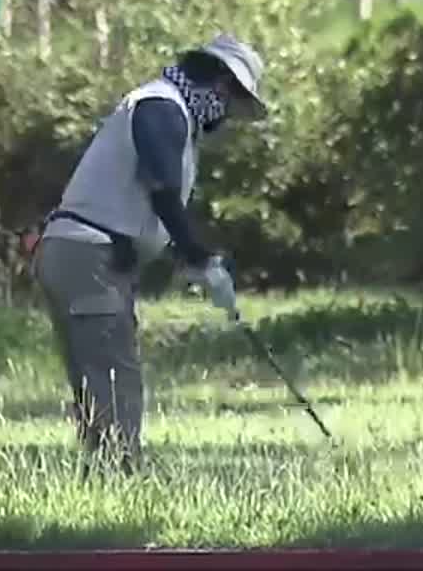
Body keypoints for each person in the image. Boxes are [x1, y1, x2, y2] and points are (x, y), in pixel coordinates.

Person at [30, 33, 268, 471]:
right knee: (115, 376)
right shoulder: (162, 107)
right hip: (88, 254)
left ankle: (102, 475)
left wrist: (191, 260)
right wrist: (201, 260)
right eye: (230, 101)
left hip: (82, 251)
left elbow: (146, 207)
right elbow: (162, 192)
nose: (227, 116)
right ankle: (120, 476)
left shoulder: (166, 110)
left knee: (96, 378)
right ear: (217, 83)